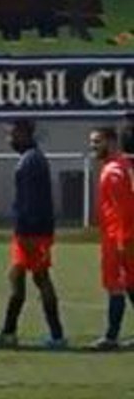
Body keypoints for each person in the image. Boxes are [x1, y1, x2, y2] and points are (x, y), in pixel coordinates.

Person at [0, 119, 65, 349]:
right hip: (33, 230)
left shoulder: (31, 161)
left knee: (39, 278)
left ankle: (56, 335)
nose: (9, 139)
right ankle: (9, 332)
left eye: (12, 134)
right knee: (19, 277)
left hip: (32, 232)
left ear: (23, 134)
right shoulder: (32, 158)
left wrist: (26, 231)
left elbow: (32, 201)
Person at [89, 127, 134, 350]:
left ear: (112, 142)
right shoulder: (123, 165)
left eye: (98, 141)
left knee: (115, 284)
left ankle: (111, 337)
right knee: (130, 283)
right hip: (122, 235)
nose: (93, 146)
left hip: (118, 237)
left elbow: (123, 208)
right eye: (92, 142)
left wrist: (121, 240)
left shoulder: (113, 170)